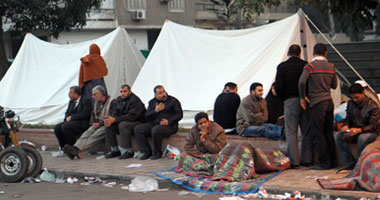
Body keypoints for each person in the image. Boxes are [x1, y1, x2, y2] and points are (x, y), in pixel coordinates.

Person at [298, 43, 338, 170]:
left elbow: (301, 81)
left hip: (316, 103)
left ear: (313, 52)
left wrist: (302, 96)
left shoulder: (310, 66)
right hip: (329, 102)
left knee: (318, 133)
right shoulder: (331, 66)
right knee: (328, 132)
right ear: (325, 53)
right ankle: (333, 162)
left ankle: (324, 163)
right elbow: (334, 85)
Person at [274, 44, 311, 168]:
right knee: (306, 130)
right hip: (305, 100)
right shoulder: (306, 65)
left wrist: (282, 98)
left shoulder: (282, 67)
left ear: (288, 53)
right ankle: (307, 159)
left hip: (290, 100)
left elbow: (278, 86)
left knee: (291, 131)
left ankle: (295, 161)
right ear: (300, 53)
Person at [334, 83, 380, 171]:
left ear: (363, 93)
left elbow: (374, 126)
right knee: (339, 136)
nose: (355, 100)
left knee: (362, 138)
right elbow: (348, 118)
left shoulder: (372, 106)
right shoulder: (350, 103)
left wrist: (360, 130)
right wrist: (345, 125)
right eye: (352, 98)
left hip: (370, 132)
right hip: (355, 130)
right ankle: (350, 162)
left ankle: (361, 163)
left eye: (357, 97)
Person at [63, 85, 113, 159]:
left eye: (94, 94)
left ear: (101, 94)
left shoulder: (111, 102)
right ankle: (75, 148)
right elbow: (93, 114)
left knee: (95, 136)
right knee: (87, 132)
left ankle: (77, 151)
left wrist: (100, 123)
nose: (92, 96)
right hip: (98, 124)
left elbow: (112, 116)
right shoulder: (97, 102)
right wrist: (93, 123)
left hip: (108, 125)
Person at [134, 85, 183, 160]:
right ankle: (145, 151)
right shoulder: (152, 102)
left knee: (156, 130)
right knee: (138, 129)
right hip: (154, 124)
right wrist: (155, 111)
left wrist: (169, 121)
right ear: (156, 95)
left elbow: (179, 114)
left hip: (169, 126)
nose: (163, 94)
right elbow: (146, 116)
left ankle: (157, 153)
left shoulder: (173, 101)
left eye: (164, 91)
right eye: (160, 93)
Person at [103, 84, 146, 159]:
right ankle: (115, 150)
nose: (122, 93)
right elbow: (114, 112)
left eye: (125, 91)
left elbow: (132, 116)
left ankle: (128, 151)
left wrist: (115, 120)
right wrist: (111, 119)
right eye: (121, 91)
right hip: (123, 121)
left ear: (130, 91)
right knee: (109, 126)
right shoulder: (118, 100)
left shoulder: (135, 100)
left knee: (123, 125)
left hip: (137, 122)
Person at [54, 86, 92, 150]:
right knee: (57, 128)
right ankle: (63, 147)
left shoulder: (86, 100)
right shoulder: (71, 101)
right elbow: (67, 112)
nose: (69, 95)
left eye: (71, 93)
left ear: (76, 94)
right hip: (72, 122)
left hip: (82, 122)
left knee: (65, 127)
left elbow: (85, 114)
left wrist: (72, 117)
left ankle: (73, 147)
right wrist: (66, 118)